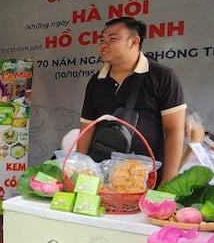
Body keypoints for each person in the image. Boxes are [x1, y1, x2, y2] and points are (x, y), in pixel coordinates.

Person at [75, 17, 186, 184]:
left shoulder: (162, 76)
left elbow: (174, 130)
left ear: (134, 41)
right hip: (100, 175)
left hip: (144, 177)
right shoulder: (96, 81)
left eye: (112, 39)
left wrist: (168, 182)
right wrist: (80, 172)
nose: (103, 44)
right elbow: (87, 128)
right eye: (102, 40)